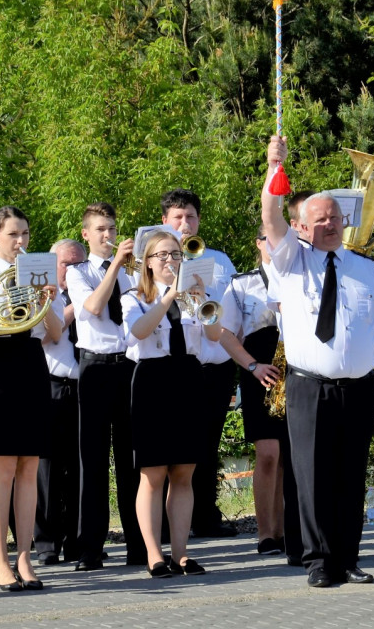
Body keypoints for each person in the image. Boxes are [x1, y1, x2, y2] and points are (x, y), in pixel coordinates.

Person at [262, 137, 374, 588]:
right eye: (320, 220)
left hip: (359, 387)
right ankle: (319, 562)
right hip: (309, 387)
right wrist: (274, 167)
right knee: (313, 477)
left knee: (350, 477)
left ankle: (348, 557)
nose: (330, 225)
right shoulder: (290, 261)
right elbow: (271, 214)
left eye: (335, 218)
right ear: (302, 227)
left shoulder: (365, 269)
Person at [0, 207, 61, 591]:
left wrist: (47, 299)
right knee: (2, 469)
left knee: (28, 468)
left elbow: (54, 333)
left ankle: (24, 556)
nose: (20, 241)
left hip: (32, 364)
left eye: (24, 233)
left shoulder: (39, 274)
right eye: (12, 235)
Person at [122, 231, 221, 577]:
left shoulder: (193, 295)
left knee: (184, 472)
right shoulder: (134, 297)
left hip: (189, 378)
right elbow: (138, 332)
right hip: (152, 380)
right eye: (162, 256)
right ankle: (153, 554)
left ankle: (181, 553)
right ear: (147, 263)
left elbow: (214, 335)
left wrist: (203, 298)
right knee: (153, 474)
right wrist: (168, 298)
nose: (170, 261)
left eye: (175, 255)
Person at [66, 202, 145, 570]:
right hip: (94, 368)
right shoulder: (77, 273)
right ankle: (90, 549)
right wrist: (116, 266)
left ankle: (139, 545)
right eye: (100, 230)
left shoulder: (132, 273)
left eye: (112, 229)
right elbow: (96, 307)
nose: (108, 236)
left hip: (127, 367)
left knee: (132, 460)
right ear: (86, 234)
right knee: (93, 461)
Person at [218, 229, 302, 558]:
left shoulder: (300, 278)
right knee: (268, 454)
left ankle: (289, 531)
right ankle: (266, 534)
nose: (276, 245)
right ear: (257, 242)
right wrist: (253, 366)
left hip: (297, 370)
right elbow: (225, 334)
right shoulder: (241, 284)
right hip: (260, 373)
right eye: (268, 239)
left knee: (293, 458)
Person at [161, 188, 237, 537]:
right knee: (173, 444)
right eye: (177, 217)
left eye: (190, 216)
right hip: (177, 364)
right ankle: (167, 522)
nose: (185, 223)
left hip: (217, 363)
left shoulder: (220, 260)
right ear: (165, 221)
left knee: (207, 444)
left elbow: (231, 308)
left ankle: (205, 516)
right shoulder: (157, 261)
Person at [34, 239, 85, 568]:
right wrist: (77, 305)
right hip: (51, 385)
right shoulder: (42, 297)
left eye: (79, 264)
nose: (73, 270)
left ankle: (78, 541)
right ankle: (46, 542)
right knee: (47, 469)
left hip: (84, 386)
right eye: (67, 263)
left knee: (80, 468)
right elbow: (46, 335)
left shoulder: (94, 292)